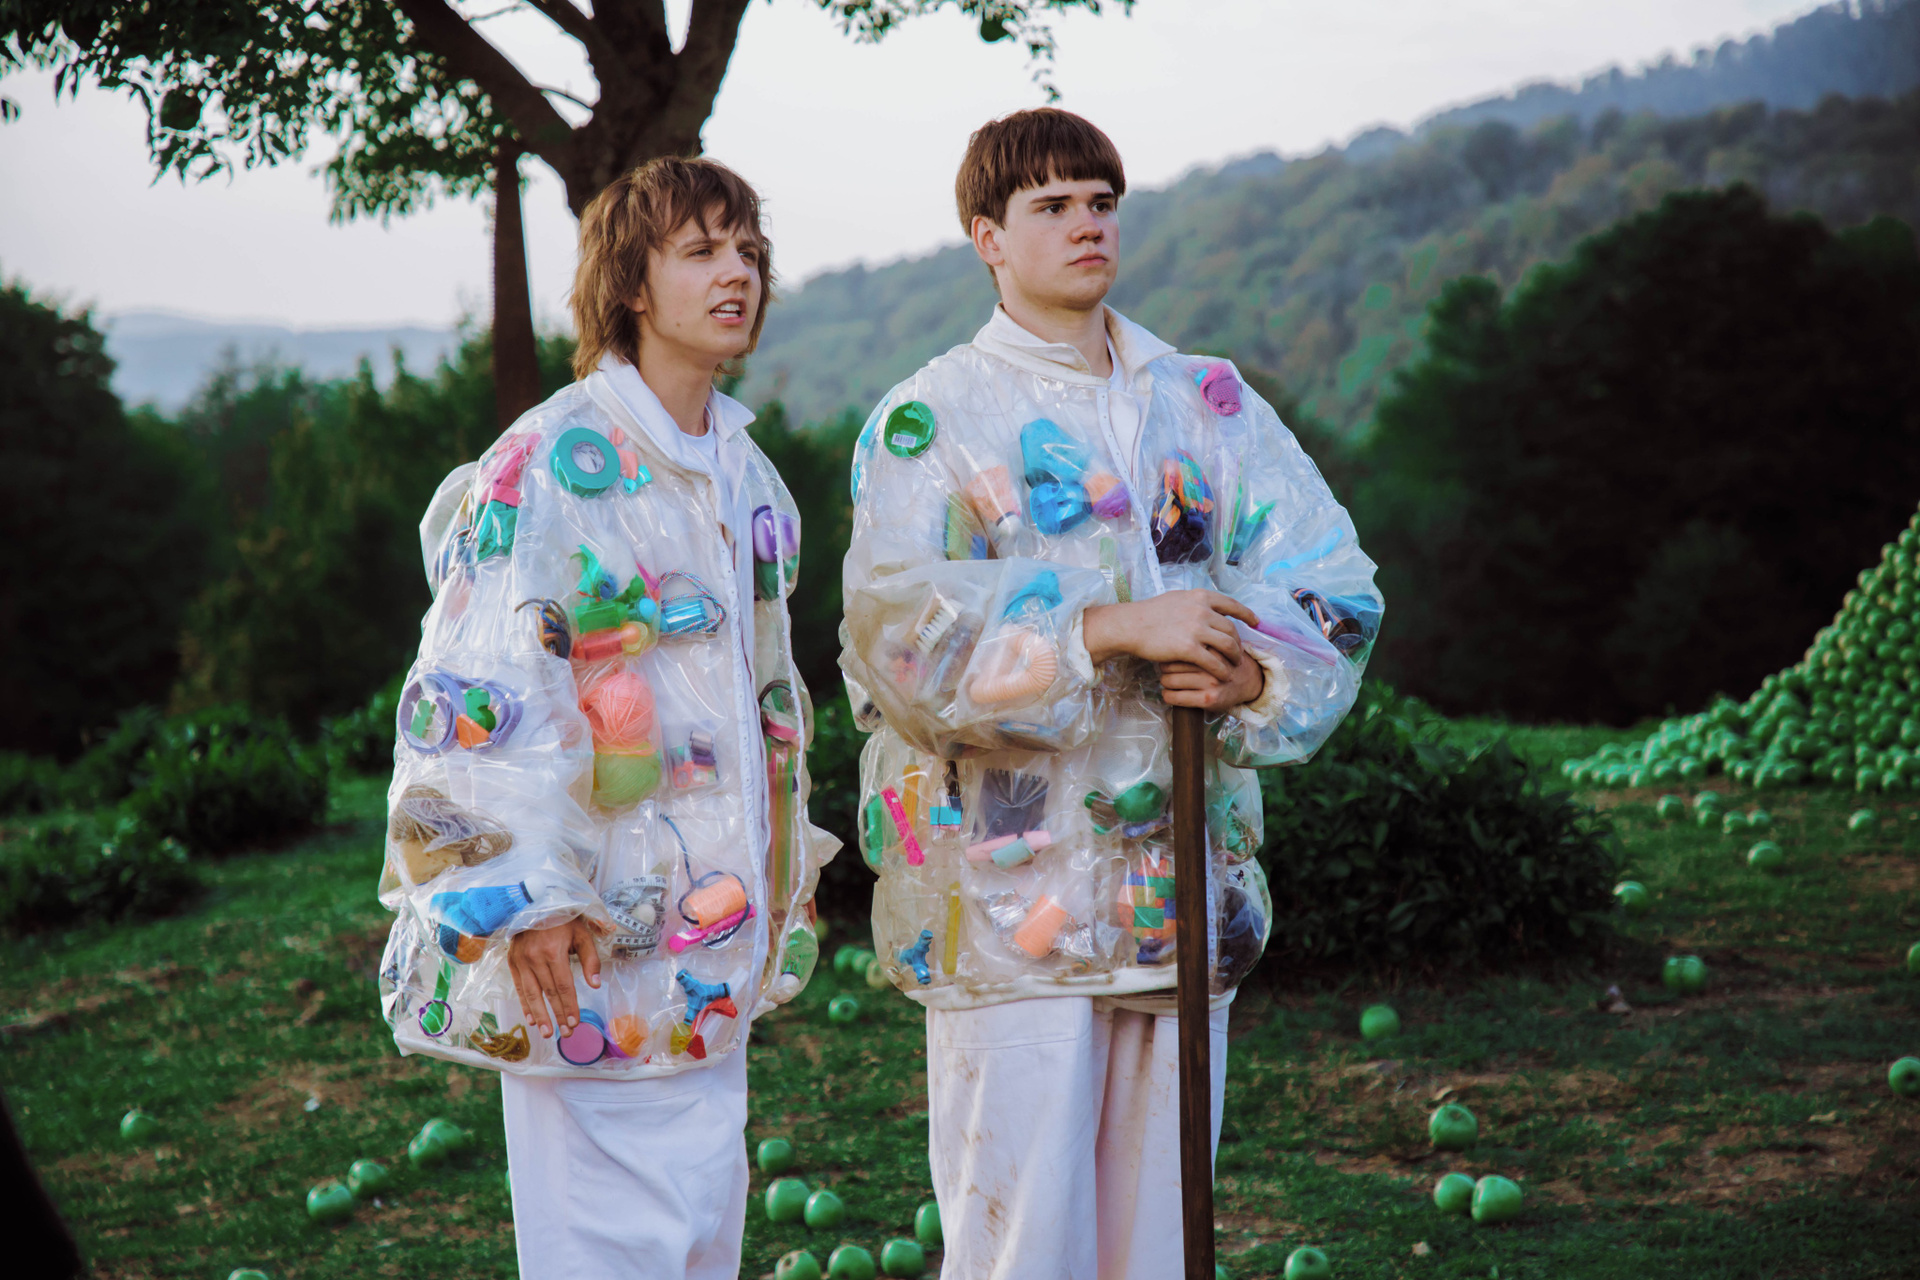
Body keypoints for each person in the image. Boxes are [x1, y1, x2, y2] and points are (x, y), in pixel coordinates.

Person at [838, 108, 1382, 1279]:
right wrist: (1105, 629)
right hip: (1005, 915)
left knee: (1159, 1240)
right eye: (1052, 206)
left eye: (1101, 202)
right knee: (1024, 1241)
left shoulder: (1205, 403)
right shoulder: (931, 421)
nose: (1088, 225)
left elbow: (1328, 576)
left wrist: (1255, 670)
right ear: (988, 237)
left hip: (1182, 887)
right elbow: (897, 638)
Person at [374, 156, 837, 1280]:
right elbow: (475, 690)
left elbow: (764, 703)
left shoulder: (741, 468)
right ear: (630, 283)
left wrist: (782, 872)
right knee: (605, 1251)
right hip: (582, 945)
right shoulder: (546, 462)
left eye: (749, 251)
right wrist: (523, 891)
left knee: (701, 1240)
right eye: (703, 250)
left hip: (708, 949)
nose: (739, 273)